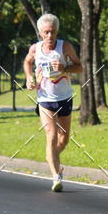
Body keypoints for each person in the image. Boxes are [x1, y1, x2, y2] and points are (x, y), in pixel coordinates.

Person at [24, 13, 82, 192]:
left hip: (64, 98)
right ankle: (56, 176)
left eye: (53, 32)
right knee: (51, 135)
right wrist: (28, 77)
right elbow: (27, 61)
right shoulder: (36, 48)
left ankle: (52, 158)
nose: (50, 36)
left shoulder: (64, 46)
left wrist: (65, 67)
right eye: (47, 32)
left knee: (64, 140)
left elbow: (80, 67)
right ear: (41, 32)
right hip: (44, 100)